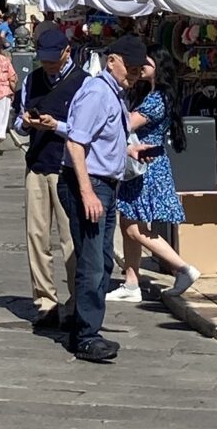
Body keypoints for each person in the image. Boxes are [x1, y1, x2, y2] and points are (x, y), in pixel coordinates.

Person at [57, 35, 152, 363]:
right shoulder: (98, 93)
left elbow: (102, 139)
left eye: (139, 70)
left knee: (103, 260)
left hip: (107, 185)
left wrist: (130, 150)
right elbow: (75, 143)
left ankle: (83, 329)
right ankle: (87, 336)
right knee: (93, 263)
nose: (135, 75)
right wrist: (86, 192)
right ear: (112, 61)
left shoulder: (115, 94)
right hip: (90, 185)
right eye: (131, 68)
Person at [109, 46, 199, 302]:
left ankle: (183, 268)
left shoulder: (158, 98)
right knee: (129, 223)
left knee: (134, 228)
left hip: (148, 167)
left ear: (159, 66)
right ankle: (131, 282)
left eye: (146, 62)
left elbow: (127, 123)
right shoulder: (146, 93)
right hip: (138, 165)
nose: (141, 66)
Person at [17, 28, 87, 328]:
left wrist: (56, 126)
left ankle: (75, 303)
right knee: (36, 236)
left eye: (53, 60)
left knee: (70, 239)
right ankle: (45, 302)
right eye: (43, 59)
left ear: (67, 52)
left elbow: (86, 129)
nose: (48, 65)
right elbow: (17, 120)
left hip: (66, 168)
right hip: (36, 165)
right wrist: (26, 123)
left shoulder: (84, 83)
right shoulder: (32, 80)